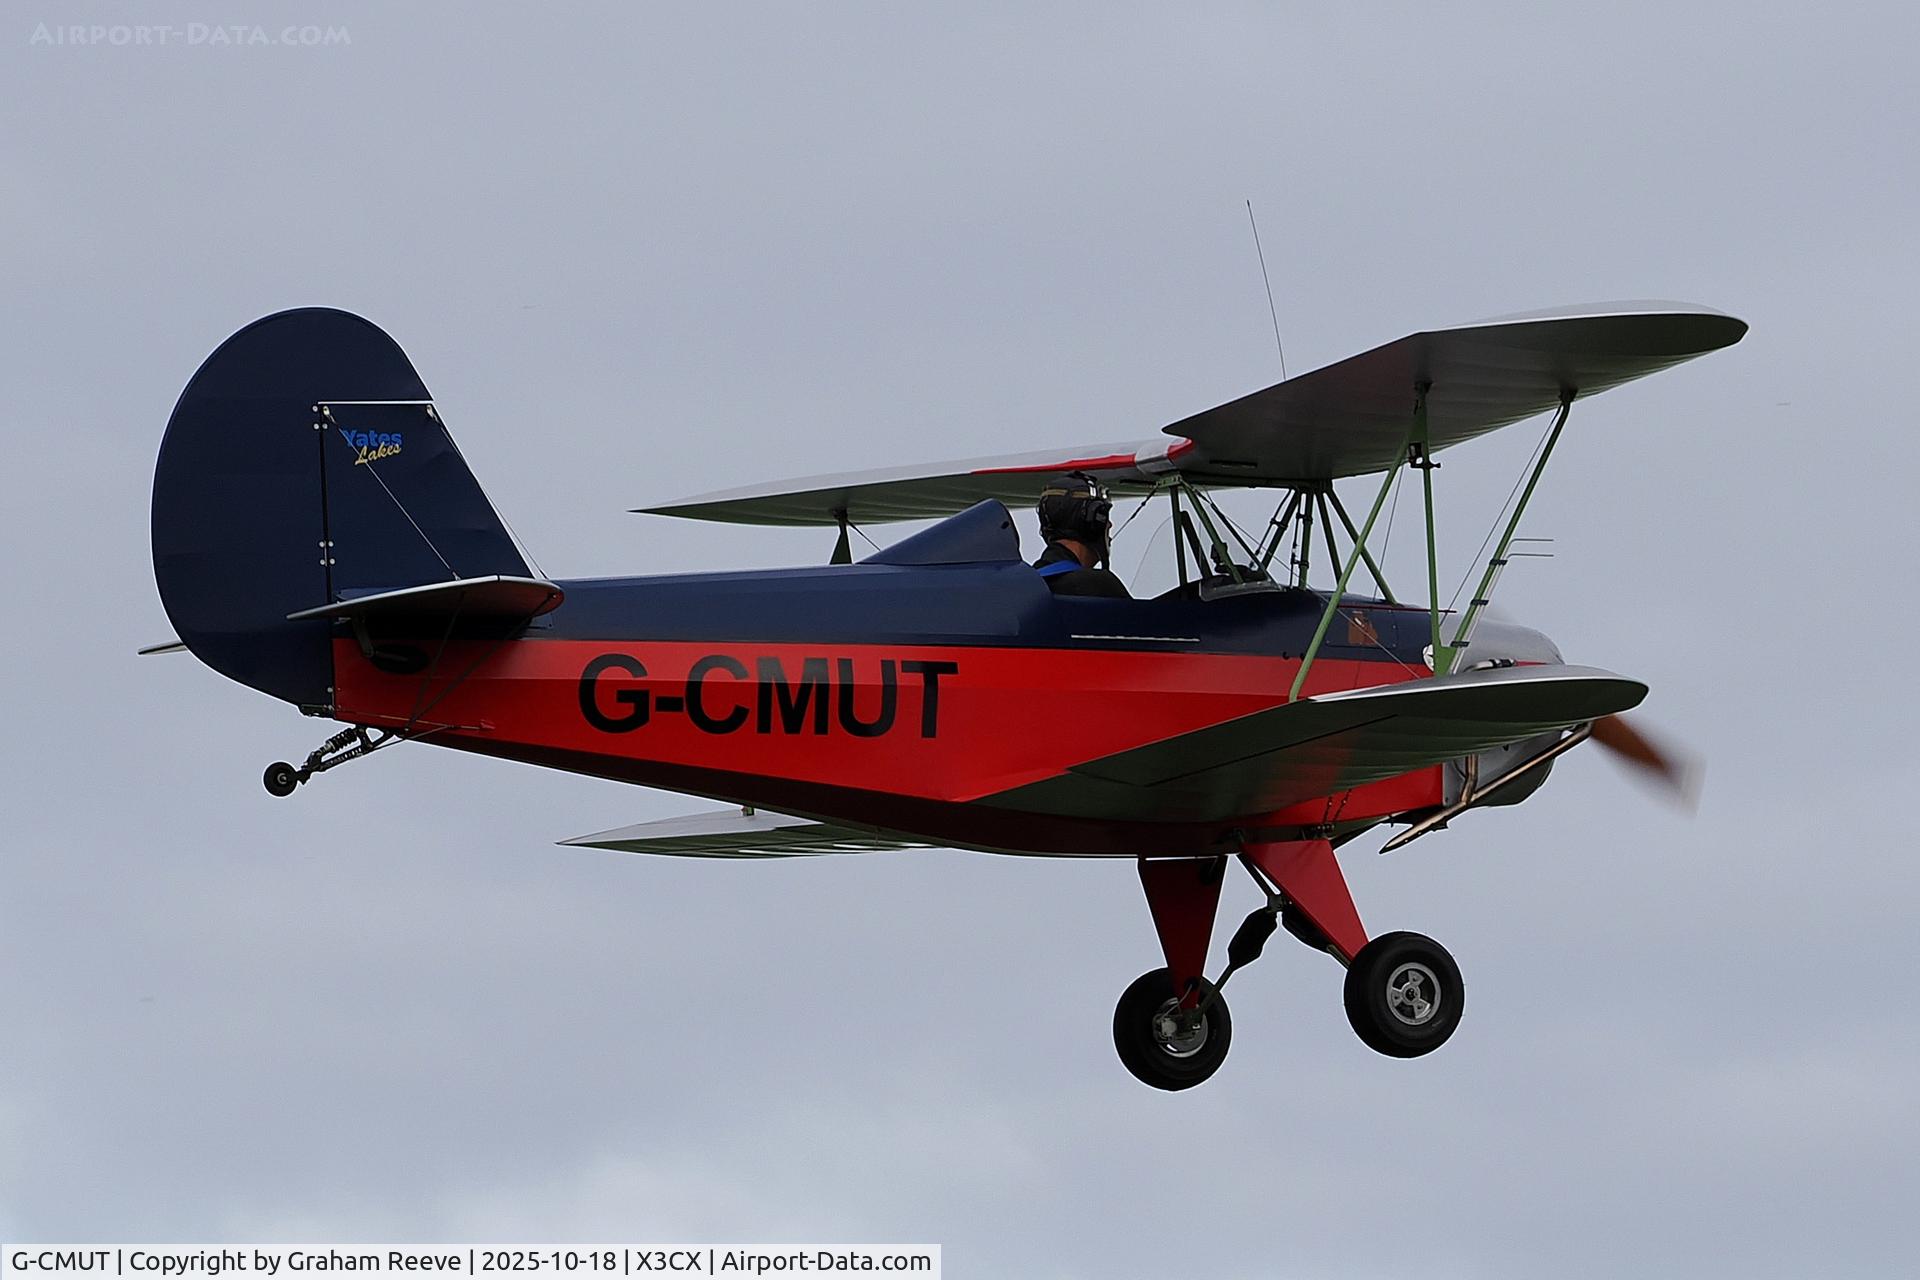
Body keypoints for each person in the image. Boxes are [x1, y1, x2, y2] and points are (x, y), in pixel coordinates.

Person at [1032, 472, 1131, 598]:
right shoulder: (1098, 586)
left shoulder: (1026, 585)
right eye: (1103, 516)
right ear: (1094, 522)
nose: (1109, 524)